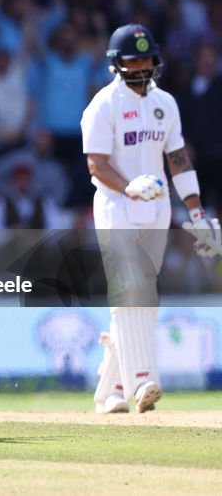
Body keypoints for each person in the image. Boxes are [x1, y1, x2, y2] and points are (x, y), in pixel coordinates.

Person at [80, 24, 221, 415]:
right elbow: (96, 164)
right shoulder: (103, 105)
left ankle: (109, 392)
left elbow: (178, 159)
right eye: (133, 61)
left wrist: (196, 210)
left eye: (147, 60)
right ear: (116, 65)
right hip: (116, 208)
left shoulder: (166, 104)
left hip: (156, 210)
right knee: (134, 293)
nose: (142, 69)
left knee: (141, 301)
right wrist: (128, 187)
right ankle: (143, 381)